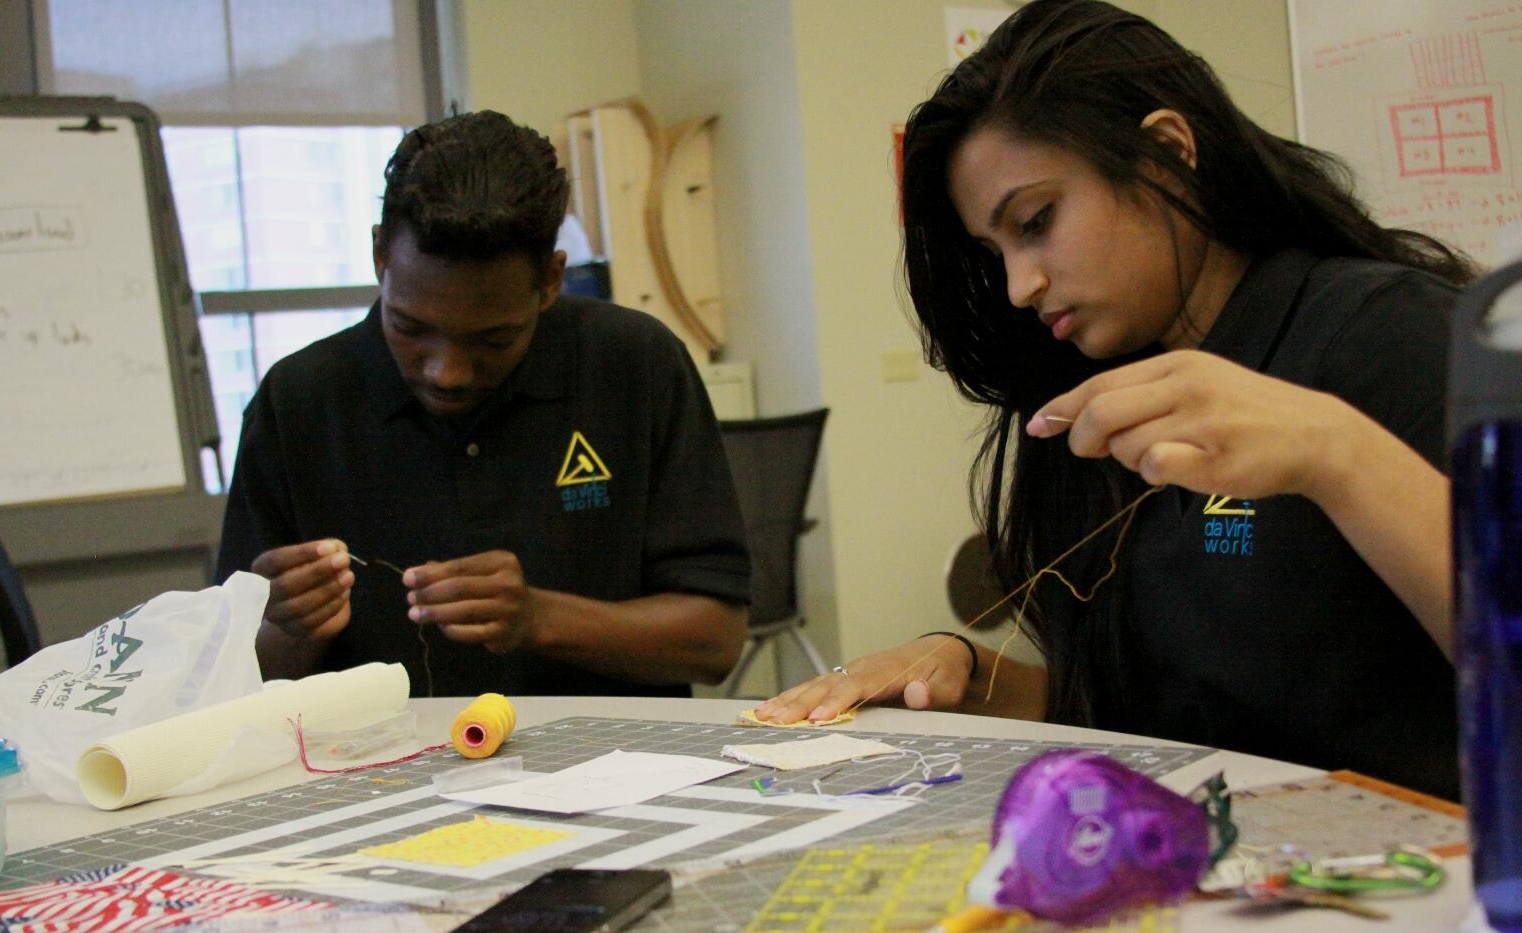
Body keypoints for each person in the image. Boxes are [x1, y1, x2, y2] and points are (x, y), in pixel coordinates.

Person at [754, 0, 1472, 798]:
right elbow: (1154, 718)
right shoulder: (1099, 392)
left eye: (1036, 221)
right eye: (995, 253)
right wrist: (970, 674)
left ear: (1166, 153)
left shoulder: (1383, 334)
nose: (1020, 287)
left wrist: (1338, 454)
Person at [215, 111, 750, 699]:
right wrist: (290, 630)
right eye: (411, 328)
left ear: (550, 280)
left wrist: (539, 619)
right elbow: (234, 678)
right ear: (379, 258)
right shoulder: (299, 401)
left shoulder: (633, 365)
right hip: (373, 775)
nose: (447, 373)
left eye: (493, 339)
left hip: (613, 768)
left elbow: (715, 642)